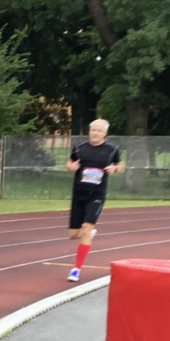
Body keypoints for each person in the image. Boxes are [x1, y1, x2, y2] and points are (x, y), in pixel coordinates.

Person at [64, 118, 123, 282]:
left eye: (99, 130)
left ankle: (76, 269)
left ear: (105, 133)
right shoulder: (79, 148)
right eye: (93, 130)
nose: (95, 133)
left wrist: (115, 168)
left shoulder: (112, 150)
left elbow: (120, 165)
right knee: (73, 234)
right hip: (79, 194)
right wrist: (70, 166)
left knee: (86, 229)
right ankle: (89, 233)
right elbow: (69, 162)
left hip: (96, 195)